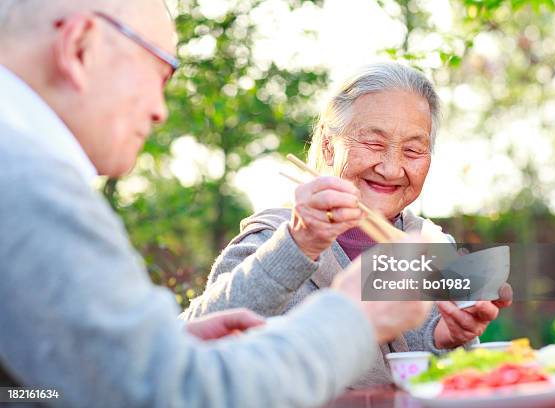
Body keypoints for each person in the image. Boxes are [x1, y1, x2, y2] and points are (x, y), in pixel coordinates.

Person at [0, 1, 433, 407]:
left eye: (414, 151)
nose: (160, 111)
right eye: (160, 74)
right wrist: (350, 318)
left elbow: (55, 386)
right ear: (80, 48)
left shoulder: (427, 241)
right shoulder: (30, 187)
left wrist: (178, 343)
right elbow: (172, 394)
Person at [181, 62, 513, 386]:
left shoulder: (428, 245)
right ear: (328, 144)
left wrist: (450, 338)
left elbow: (454, 381)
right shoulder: (275, 237)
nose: (391, 168)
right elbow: (189, 349)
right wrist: (299, 244)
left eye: (413, 151)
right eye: (374, 143)